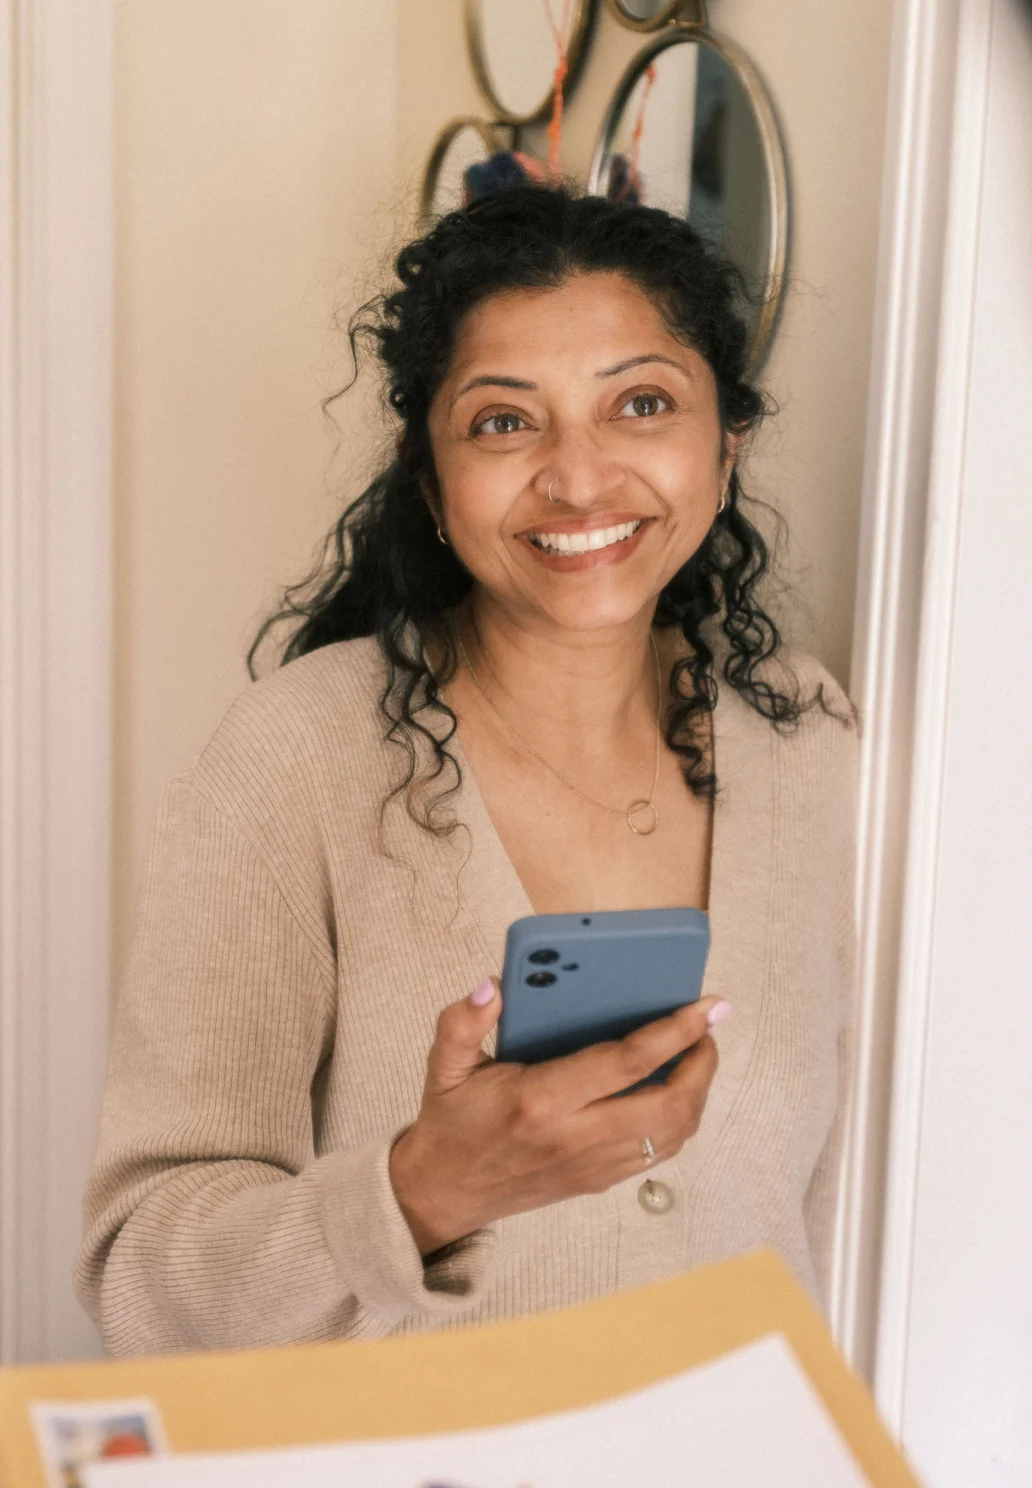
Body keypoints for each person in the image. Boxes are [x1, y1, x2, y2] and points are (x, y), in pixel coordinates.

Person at [77, 185, 858, 1356]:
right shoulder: (296, 760)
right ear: (431, 477)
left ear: (724, 442)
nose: (579, 478)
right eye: (504, 422)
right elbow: (141, 1266)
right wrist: (420, 1192)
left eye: (640, 404)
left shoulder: (809, 741)